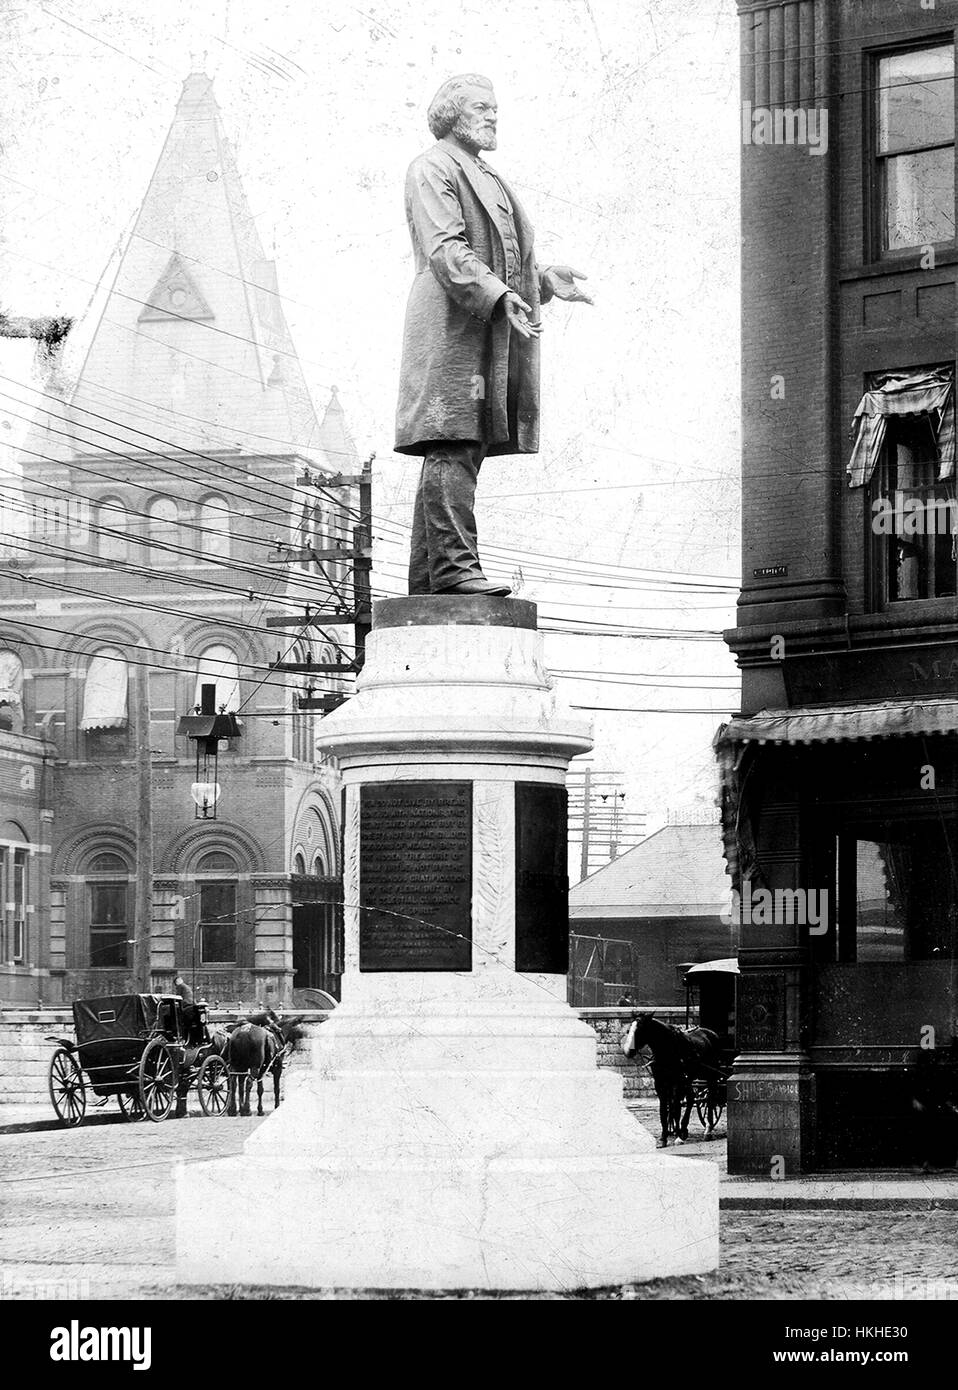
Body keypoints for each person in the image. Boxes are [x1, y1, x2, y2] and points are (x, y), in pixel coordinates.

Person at [395, 73, 592, 596]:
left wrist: (542, 280)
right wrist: (501, 296)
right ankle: (457, 571)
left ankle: (430, 584)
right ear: (451, 113)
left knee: (463, 443)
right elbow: (446, 249)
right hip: (448, 329)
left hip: (483, 330)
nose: (492, 116)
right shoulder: (432, 166)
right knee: (453, 441)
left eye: (495, 108)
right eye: (481, 107)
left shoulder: (485, 173)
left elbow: (501, 255)